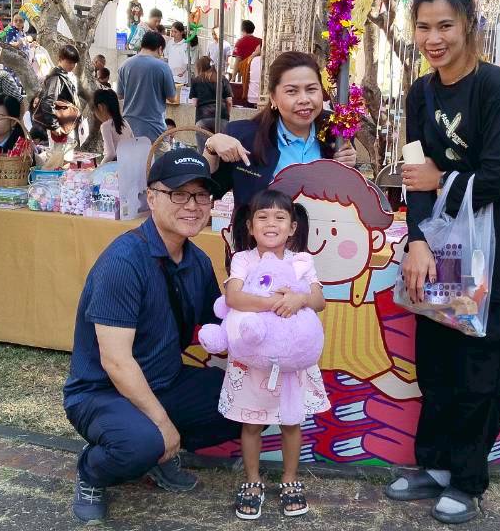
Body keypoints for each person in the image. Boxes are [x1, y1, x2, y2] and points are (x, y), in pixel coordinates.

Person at [383, 0, 500, 525]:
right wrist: (417, 239)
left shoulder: (494, 85)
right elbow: (412, 171)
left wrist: (440, 178)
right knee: (440, 351)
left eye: (444, 25)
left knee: (482, 361)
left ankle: (468, 479)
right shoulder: (420, 93)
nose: (434, 38)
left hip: (494, 239)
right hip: (442, 238)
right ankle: (437, 465)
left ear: (468, 24)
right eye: (423, 27)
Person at [64, 149, 240, 523]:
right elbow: (116, 361)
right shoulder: (124, 261)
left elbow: (222, 327)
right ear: (152, 197)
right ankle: (92, 471)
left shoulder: (196, 261)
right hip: (102, 392)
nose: (192, 205)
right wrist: (162, 425)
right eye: (179, 194)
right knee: (141, 442)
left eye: (201, 195)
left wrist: (271, 300)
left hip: (164, 381)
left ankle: (156, 454)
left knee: (245, 399)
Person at [221, 188, 329, 520]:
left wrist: (300, 299)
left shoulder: (301, 261)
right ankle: (252, 480)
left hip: (291, 363)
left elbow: (319, 300)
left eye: (280, 217)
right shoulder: (243, 259)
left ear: (292, 227)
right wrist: (276, 302)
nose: (271, 223)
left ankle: (290, 479)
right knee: (252, 423)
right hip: (251, 360)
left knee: (290, 423)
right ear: (250, 226)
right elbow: (234, 298)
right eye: (263, 217)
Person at [200, 51, 358, 208]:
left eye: (311, 89)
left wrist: (349, 171)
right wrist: (211, 148)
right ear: (273, 98)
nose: (304, 99)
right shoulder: (244, 137)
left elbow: (348, 200)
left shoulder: (336, 131)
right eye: (292, 91)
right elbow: (207, 191)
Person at [118, 31, 175, 141]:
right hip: (154, 129)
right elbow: (172, 98)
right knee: (159, 152)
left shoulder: (124, 65)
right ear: (160, 48)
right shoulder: (163, 67)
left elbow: (120, 95)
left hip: (129, 128)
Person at [32, 44, 81, 143]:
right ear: (60, 59)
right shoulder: (56, 77)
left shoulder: (65, 75)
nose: (72, 65)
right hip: (59, 126)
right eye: (69, 62)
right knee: (60, 152)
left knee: (66, 151)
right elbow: (48, 102)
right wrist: (54, 126)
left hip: (65, 124)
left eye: (74, 63)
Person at [93, 89, 133, 165]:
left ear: (100, 107)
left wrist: (100, 168)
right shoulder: (125, 122)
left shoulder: (105, 126)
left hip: (116, 167)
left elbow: (111, 154)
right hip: (129, 164)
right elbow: (133, 143)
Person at [191, 56, 233, 124]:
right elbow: (229, 101)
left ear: (199, 68)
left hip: (203, 117)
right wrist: (227, 115)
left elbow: (195, 103)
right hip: (222, 117)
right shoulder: (222, 79)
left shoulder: (196, 80)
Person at [233, 20, 262, 105]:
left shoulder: (240, 42)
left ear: (242, 29)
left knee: (244, 96)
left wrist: (233, 77)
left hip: (244, 75)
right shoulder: (260, 41)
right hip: (258, 75)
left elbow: (237, 60)